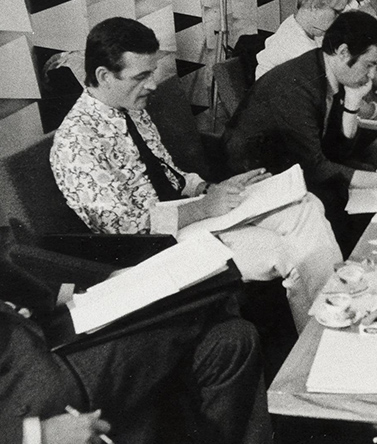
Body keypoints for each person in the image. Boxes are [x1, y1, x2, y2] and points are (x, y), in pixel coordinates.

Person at [0, 58, 276, 444]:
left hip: (54, 342)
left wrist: (85, 294)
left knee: (231, 339)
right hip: (25, 400)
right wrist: (36, 440)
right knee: (215, 295)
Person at [51, 18, 342, 331]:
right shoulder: (76, 141)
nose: (152, 84)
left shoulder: (131, 107)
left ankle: (337, 317)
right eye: (141, 76)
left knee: (306, 204)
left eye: (152, 73)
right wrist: (203, 207)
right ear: (104, 76)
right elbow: (124, 230)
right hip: (153, 250)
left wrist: (209, 188)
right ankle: (319, 340)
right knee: (285, 252)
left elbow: (169, 175)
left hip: (189, 216)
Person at [224, 11, 377, 254]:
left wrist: (352, 103)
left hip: (292, 167)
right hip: (256, 180)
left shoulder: (328, 70)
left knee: (366, 183)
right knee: (355, 195)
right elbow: (315, 167)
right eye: (369, 65)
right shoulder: (297, 86)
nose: (371, 76)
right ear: (343, 52)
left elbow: (338, 150)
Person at [254, 0, 349, 80]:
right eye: (336, 12)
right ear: (315, 7)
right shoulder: (298, 46)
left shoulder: (293, 24)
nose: (338, 19)